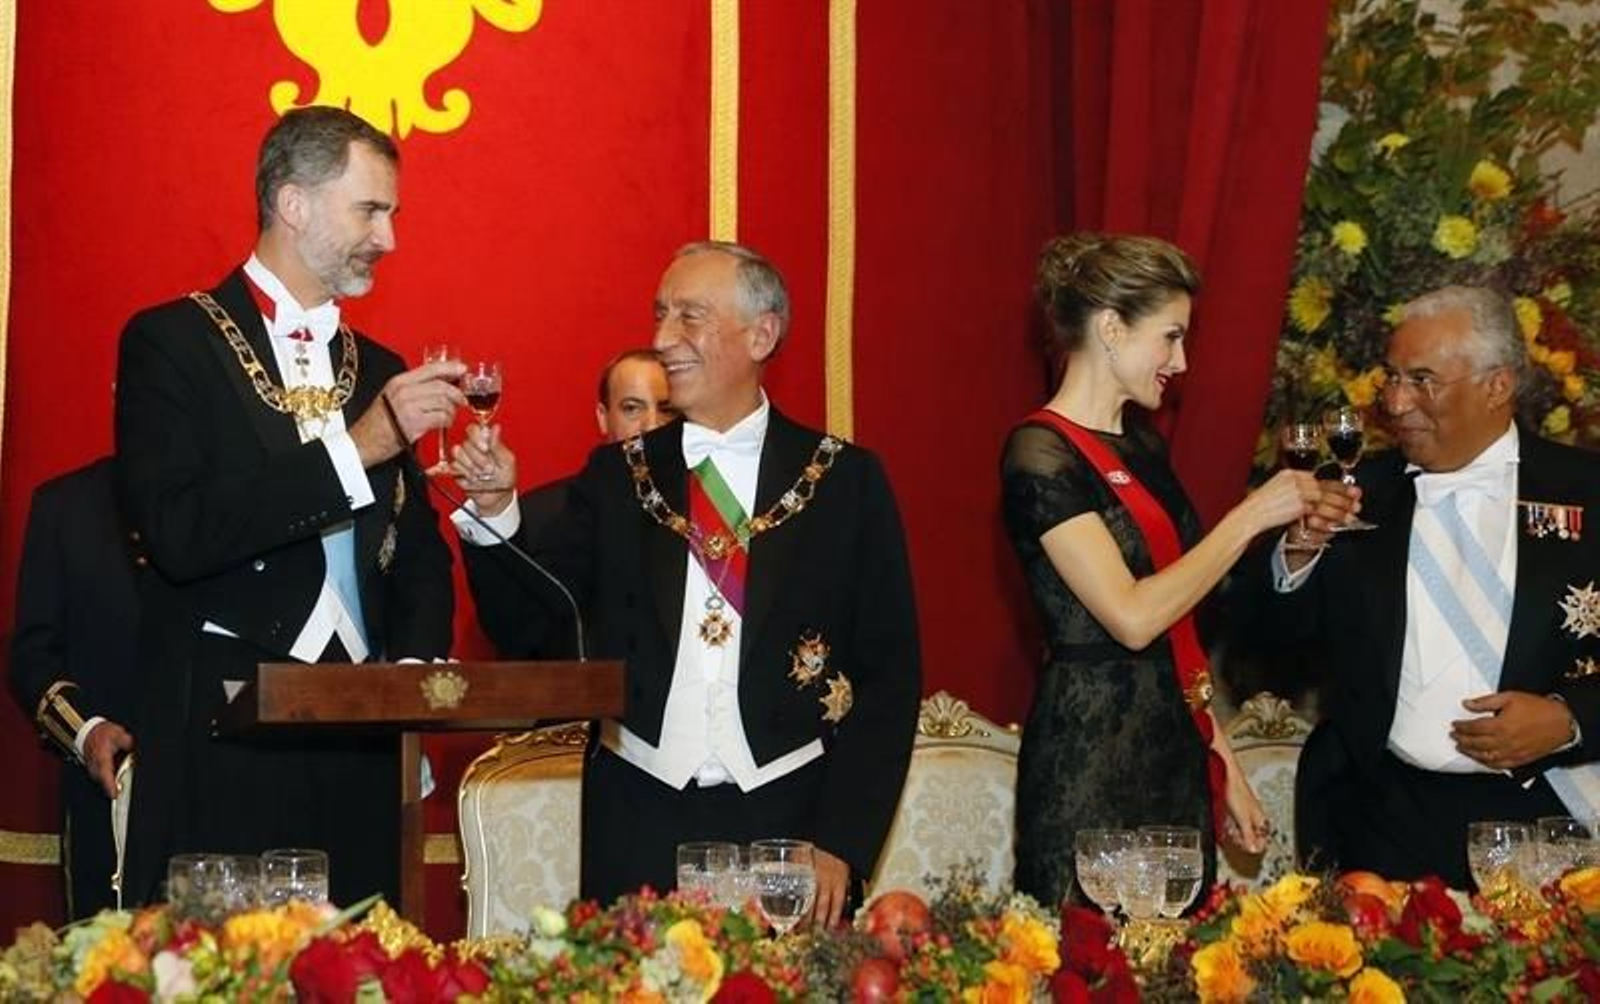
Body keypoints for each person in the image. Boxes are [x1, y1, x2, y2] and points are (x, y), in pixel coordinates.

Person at [452, 241, 922, 924]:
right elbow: (530, 624)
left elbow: (890, 676)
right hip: (637, 815)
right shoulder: (618, 477)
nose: (662, 339)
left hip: (787, 819)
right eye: (660, 314)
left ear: (762, 333)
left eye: (689, 317)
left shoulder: (845, 482)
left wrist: (839, 841)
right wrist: (496, 514)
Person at [113, 106, 462, 907]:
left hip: (361, 737)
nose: (389, 238)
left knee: (365, 972)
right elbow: (181, 532)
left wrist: (407, 684)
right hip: (224, 729)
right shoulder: (170, 343)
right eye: (370, 210)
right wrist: (359, 447)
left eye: (393, 214)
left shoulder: (380, 365)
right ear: (293, 203)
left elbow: (418, 555)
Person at [1001, 232, 1329, 908]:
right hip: (1090, 756)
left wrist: (1222, 760)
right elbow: (1133, 616)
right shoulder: (1039, 452)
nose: (1181, 362)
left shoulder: (1143, 445)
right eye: (1170, 337)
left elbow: (1177, 629)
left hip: (1172, 749)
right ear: (1112, 328)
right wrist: (1250, 516)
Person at [1266, 285, 1600, 889]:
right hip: (1377, 819)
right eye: (1390, 377)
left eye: (1422, 380)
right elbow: (1265, 647)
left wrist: (1569, 719)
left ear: (1497, 386)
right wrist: (1296, 554)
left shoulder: (1589, 492)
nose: (1395, 402)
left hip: (1545, 823)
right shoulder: (1351, 494)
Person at [466, 349, 671, 659]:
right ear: (603, 417)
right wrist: (494, 512)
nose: (652, 425)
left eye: (667, 410)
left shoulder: (711, 506)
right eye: (632, 408)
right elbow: (521, 632)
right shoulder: (553, 516)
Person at [7, 458, 140, 918]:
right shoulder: (67, 507)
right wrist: (86, 733)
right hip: (107, 790)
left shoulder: (239, 496)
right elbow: (32, 658)